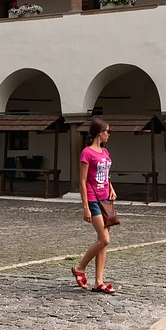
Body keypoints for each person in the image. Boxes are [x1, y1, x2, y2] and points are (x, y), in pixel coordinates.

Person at [71, 117, 116, 294]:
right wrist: (85, 207)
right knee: (104, 239)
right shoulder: (87, 153)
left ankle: (99, 281)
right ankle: (80, 267)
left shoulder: (105, 152)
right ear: (100, 132)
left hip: (106, 199)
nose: (109, 134)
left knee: (103, 243)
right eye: (107, 131)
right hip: (93, 198)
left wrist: (112, 188)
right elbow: (82, 181)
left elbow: (106, 175)